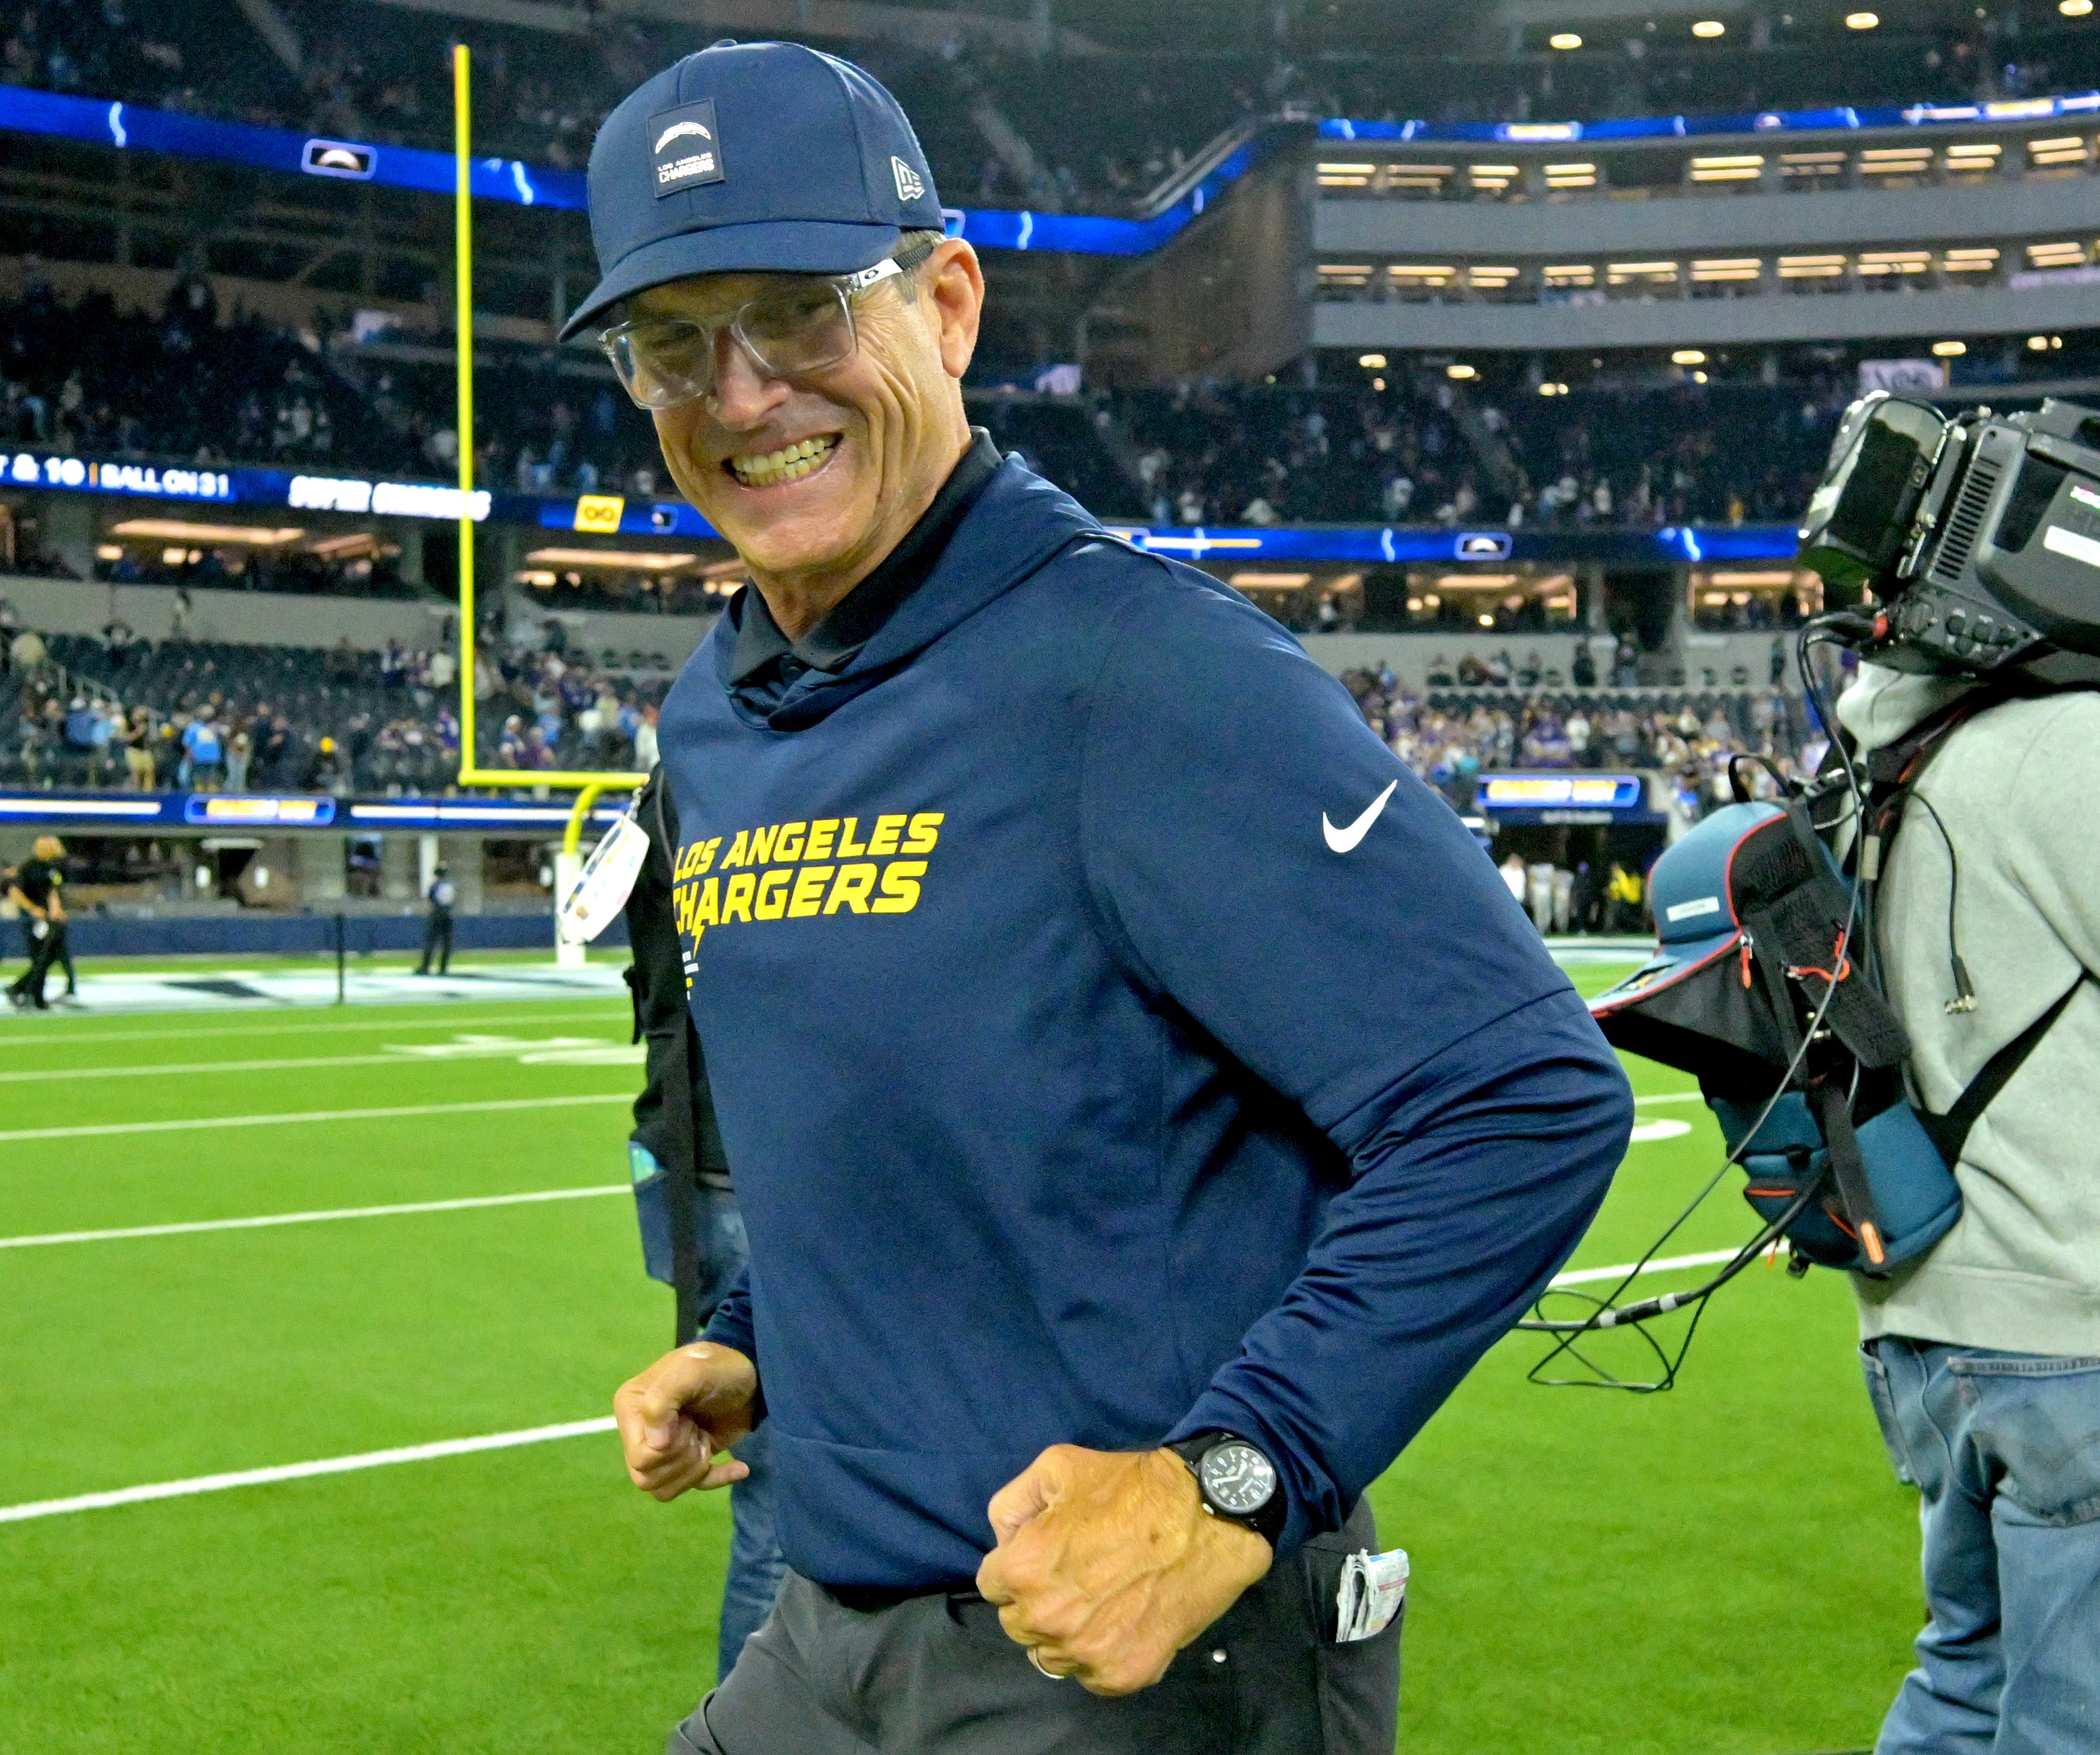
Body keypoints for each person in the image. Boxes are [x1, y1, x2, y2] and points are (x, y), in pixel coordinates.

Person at [582, 44, 1632, 1753]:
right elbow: (925, 1116)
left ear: (947, 303)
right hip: (819, 1625)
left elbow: (1518, 1097)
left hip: (1120, 1678)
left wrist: (1227, 1482)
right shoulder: (717, 710)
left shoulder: (1137, 673)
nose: (742, 392)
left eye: (794, 311)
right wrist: (754, 1338)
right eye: (672, 343)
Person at [1837, 663, 2100, 1754]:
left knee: (1967, 1688)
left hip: (1929, 1322)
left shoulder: (1878, 752)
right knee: (2092, 1717)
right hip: (2081, 1306)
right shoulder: (2069, 741)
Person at [623, 768, 785, 1680]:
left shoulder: (677, 788)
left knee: (786, 1502)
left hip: (691, 1157)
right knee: (783, 1510)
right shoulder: (745, 786)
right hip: (743, 1166)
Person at [6, 835, 71, 1010]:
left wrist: (56, 911)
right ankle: (29, 994)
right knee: (40, 958)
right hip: (33, 919)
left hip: (46, 918)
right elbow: (15, 892)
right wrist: (33, 909)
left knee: (48, 957)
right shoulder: (29, 867)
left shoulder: (51, 868)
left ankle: (26, 992)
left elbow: (52, 892)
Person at [416, 865, 455, 975]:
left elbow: (431, 899)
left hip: (437, 913)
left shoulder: (435, 885)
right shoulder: (450, 885)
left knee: (431, 940)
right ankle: (443, 968)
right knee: (447, 942)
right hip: (448, 914)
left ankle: (425, 967)